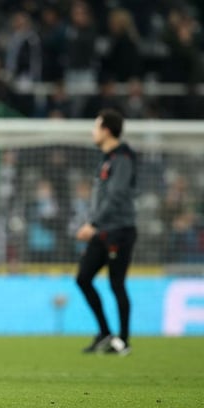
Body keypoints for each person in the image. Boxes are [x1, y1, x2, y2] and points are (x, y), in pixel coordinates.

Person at [75, 108, 136, 356]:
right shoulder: (107, 157)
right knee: (83, 278)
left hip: (119, 230)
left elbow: (117, 195)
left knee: (116, 284)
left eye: (96, 126)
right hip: (103, 231)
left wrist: (93, 223)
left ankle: (123, 340)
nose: (93, 131)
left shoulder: (123, 158)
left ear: (106, 130)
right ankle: (105, 333)